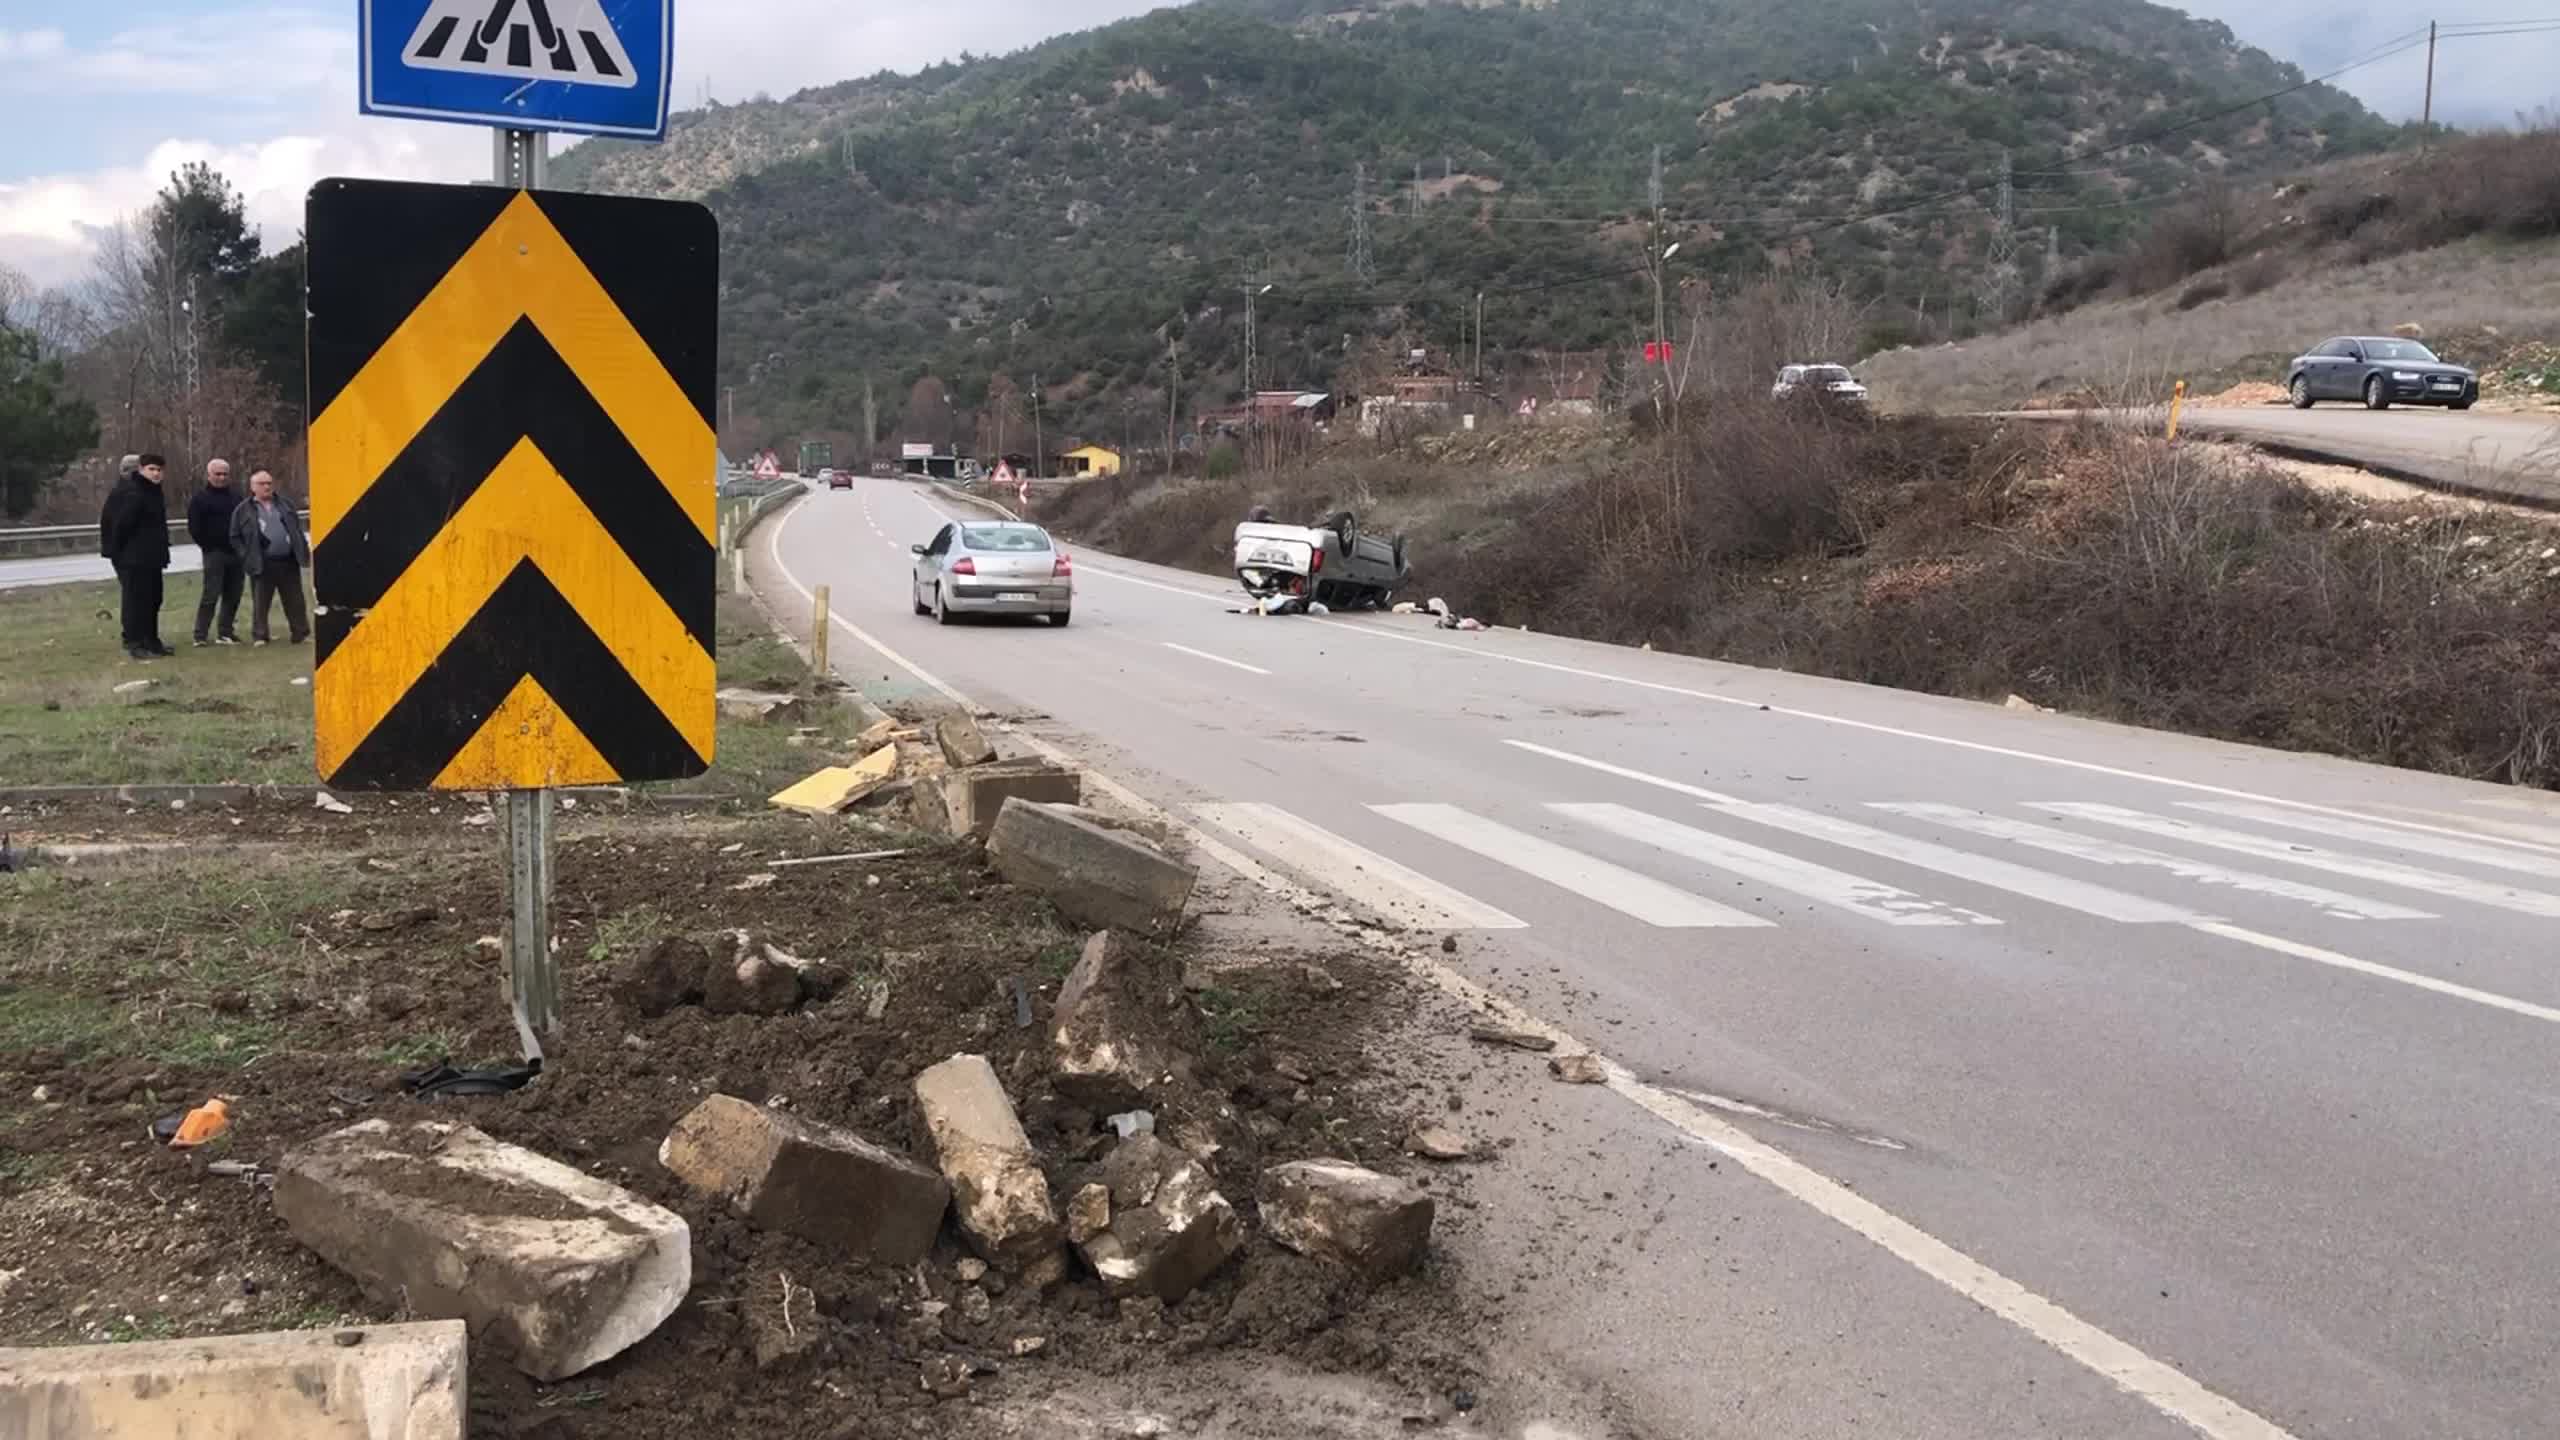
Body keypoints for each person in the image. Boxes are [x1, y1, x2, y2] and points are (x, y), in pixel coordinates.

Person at [99, 452, 173, 659]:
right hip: (134, 558)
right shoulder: (133, 492)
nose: (156, 473)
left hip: (152, 557)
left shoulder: (154, 492)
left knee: (153, 599)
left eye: (159, 470)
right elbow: (121, 525)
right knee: (135, 601)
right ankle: (135, 643)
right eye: (151, 469)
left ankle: (152, 640)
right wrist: (121, 553)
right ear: (141, 469)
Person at [229, 468, 310, 645]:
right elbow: (234, 536)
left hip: (288, 561)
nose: (267, 486)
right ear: (253, 487)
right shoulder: (243, 510)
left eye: (269, 483)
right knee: (261, 602)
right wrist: (245, 555)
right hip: (261, 561)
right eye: (262, 484)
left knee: (295, 599)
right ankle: (260, 636)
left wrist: (301, 549)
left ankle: (300, 633)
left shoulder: (286, 505)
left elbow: (296, 529)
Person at [187, 458, 244, 646]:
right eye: (218, 474)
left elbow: (245, 523)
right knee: (211, 593)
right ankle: (200, 635)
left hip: (236, 553)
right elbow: (195, 528)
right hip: (214, 553)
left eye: (225, 474)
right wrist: (208, 546)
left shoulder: (237, 498)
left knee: (233, 594)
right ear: (209, 475)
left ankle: (225, 632)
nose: (221, 477)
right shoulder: (199, 499)